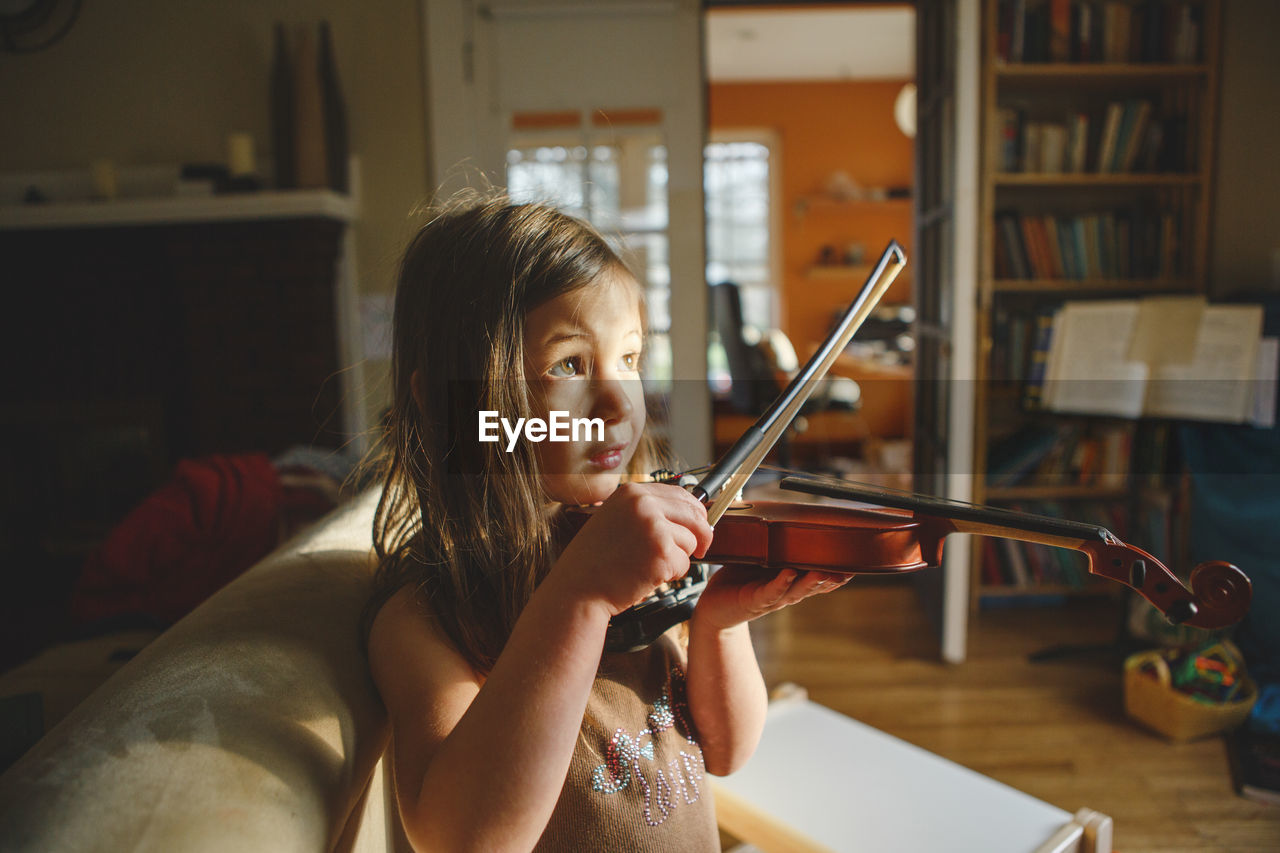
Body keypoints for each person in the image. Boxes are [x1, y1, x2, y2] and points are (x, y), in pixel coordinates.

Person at [363, 194, 850, 852]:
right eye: (569, 364)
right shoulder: (427, 618)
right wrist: (579, 596)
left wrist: (715, 622)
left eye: (629, 358)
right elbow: (464, 838)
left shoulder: (629, 552)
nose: (620, 399)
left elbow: (728, 750)